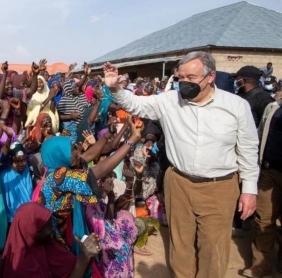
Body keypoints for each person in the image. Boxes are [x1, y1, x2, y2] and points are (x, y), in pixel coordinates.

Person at [102, 51, 259, 277]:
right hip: (178, 183)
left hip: (219, 187)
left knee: (213, 248)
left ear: (210, 76)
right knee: (180, 245)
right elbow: (136, 105)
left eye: (191, 78)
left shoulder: (236, 106)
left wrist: (250, 190)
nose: (184, 83)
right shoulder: (169, 101)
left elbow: (248, 150)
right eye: (181, 78)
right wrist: (115, 88)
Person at [243, 74, 282, 278]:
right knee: (264, 220)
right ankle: (261, 265)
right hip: (270, 172)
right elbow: (259, 135)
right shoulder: (274, 109)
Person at [0, 202, 101, 277]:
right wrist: (84, 258)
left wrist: (87, 255)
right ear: (32, 232)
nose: (52, 229)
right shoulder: (19, 268)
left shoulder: (49, 246)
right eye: (46, 227)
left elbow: (77, 269)